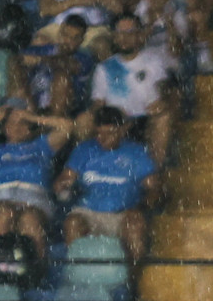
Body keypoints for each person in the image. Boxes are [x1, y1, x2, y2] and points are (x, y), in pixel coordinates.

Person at [0, 101, 69, 260]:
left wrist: (31, 117)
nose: (17, 128)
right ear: (4, 129)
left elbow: (68, 127)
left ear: (29, 128)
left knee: (29, 220)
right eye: (11, 124)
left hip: (35, 199)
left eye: (22, 124)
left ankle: (36, 272)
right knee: (5, 215)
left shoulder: (41, 146)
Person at [57, 104, 160, 266]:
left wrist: (140, 207)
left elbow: (154, 189)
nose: (103, 139)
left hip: (122, 214)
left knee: (135, 224)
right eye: (99, 133)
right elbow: (61, 182)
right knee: (72, 223)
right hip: (89, 212)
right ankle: (78, 276)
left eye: (110, 133)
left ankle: (134, 283)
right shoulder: (84, 150)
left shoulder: (136, 152)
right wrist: (64, 185)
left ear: (122, 130)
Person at [90, 12, 178, 164]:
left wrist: (163, 102)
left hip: (144, 119)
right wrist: (111, 118)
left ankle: (153, 172)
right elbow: (98, 103)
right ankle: (88, 165)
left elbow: (166, 89)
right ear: (114, 37)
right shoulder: (104, 67)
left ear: (139, 35)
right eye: (120, 33)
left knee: (164, 118)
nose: (124, 38)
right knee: (84, 120)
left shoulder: (153, 60)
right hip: (115, 122)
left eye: (129, 33)